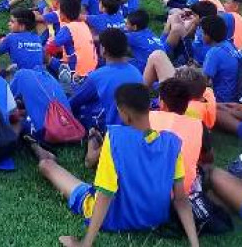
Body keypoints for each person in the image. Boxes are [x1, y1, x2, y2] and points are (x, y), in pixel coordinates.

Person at [30, 83, 198, 247]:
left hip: (115, 217)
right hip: (154, 218)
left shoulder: (116, 139)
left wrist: (85, 243)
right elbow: (181, 199)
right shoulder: (172, 143)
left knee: (46, 165)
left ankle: (37, 148)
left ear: (124, 115)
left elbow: (105, 194)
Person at [69, 28, 143, 131]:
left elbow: (75, 101)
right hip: (136, 125)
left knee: (80, 101)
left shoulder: (97, 76)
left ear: (103, 50)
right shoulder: (136, 72)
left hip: (110, 130)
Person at [150, 79, 207, 195]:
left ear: (162, 102)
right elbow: (208, 158)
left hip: (145, 192)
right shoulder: (198, 124)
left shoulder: (145, 117)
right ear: (187, 105)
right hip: (182, 193)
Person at [10, 67, 72, 142]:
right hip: (68, 123)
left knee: (14, 117)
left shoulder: (20, 74)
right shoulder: (49, 76)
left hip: (45, 132)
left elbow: (8, 101)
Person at [46, 0, 97, 81]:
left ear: (63, 14)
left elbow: (50, 48)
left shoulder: (68, 28)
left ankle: (59, 87)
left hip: (76, 73)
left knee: (44, 56)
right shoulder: (84, 25)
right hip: (91, 70)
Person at [202, 15, 240, 103]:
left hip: (221, 101)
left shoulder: (214, 53)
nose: (201, 36)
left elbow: (202, 82)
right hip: (234, 97)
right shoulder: (229, 45)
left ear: (209, 35)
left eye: (203, 33)